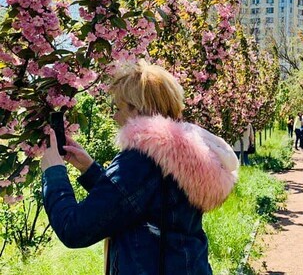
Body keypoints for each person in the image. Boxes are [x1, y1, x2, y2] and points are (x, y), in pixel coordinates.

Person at [41, 60, 239, 274]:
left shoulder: (141, 159)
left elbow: (75, 229)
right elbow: (143, 203)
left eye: (118, 108)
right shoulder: (181, 153)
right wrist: (90, 170)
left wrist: (54, 175)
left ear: (135, 108)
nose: (114, 116)